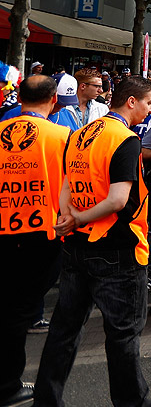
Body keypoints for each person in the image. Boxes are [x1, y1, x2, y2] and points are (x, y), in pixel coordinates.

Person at [34, 77, 151, 407]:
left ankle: (46, 400)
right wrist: (79, 218)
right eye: (149, 102)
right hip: (117, 251)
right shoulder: (124, 139)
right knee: (123, 336)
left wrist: (68, 216)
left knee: (63, 331)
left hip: (76, 246)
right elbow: (117, 200)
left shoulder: (83, 133)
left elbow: (68, 182)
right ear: (131, 102)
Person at [0, 76, 69, 407]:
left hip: (3, 230)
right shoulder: (61, 136)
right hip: (41, 234)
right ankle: (7, 385)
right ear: (54, 99)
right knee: (19, 312)